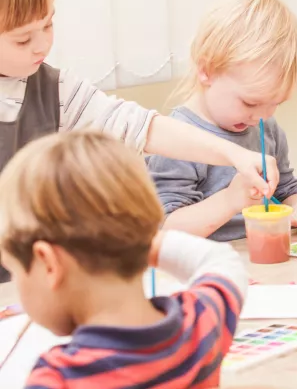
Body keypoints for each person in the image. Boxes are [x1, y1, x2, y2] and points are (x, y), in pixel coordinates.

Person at [0, 0, 278, 281]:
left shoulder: (54, 88)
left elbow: (139, 127)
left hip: (28, 285)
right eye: (23, 38)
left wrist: (232, 154)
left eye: (49, 24)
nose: (42, 44)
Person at [0, 131, 249, 388]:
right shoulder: (202, 324)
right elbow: (220, 262)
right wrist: (137, 238)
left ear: (48, 264)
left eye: (15, 271)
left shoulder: (58, 379)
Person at [148, 0, 297, 240]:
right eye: (250, 102)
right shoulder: (176, 140)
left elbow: (286, 188)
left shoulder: (266, 128)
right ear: (206, 71)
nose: (260, 117)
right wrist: (230, 200)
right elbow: (166, 229)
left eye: (276, 104)